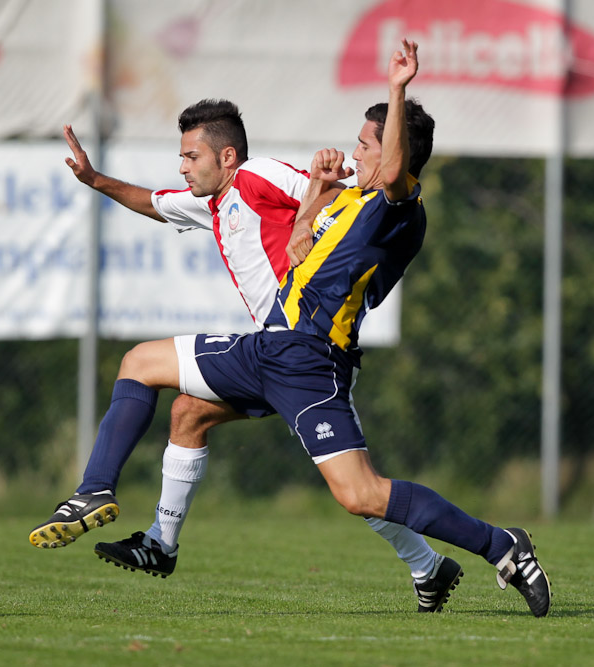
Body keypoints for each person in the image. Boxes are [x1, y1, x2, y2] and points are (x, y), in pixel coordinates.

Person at [48, 39, 552, 617]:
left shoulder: (396, 207)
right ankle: (121, 513)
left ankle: (498, 545)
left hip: (312, 358)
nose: (356, 152)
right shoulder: (344, 201)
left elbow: (389, 170)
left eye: (365, 143)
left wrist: (396, 89)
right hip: (270, 346)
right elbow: (294, 232)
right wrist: (311, 203)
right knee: (159, 383)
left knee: (360, 494)